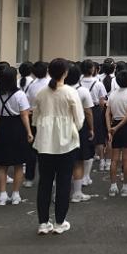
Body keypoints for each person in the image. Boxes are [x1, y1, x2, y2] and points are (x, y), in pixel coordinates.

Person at [32, 58, 85, 235]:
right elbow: (79, 120)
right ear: (66, 73)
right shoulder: (70, 92)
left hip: (44, 143)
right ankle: (60, 222)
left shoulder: (41, 93)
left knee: (45, 183)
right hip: (66, 143)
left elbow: (35, 119)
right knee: (63, 182)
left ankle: (43, 222)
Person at [0, 66, 33, 206]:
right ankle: (15, 194)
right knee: (18, 164)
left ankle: (2, 195)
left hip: (3, 127)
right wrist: (29, 132)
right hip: (17, 128)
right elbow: (24, 115)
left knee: (2, 165)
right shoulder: (20, 95)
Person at [106, 70, 127, 197]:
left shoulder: (112, 95)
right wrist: (117, 127)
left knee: (114, 159)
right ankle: (125, 186)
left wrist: (110, 128)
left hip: (114, 124)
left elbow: (107, 113)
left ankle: (113, 186)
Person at [67, 65, 95, 203]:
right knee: (78, 161)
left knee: (62, 161)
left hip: (62, 126)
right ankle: (77, 193)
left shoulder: (59, 90)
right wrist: (91, 128)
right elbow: (88, 112)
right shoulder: (83, 91)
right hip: (79, 126)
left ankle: (58, 192)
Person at [23, 61, 49, 188]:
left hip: (33, 117)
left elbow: (27, 103)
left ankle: (29, 178)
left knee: (31, 149)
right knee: (47, 149)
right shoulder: (51, 83)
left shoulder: (31, 85)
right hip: (48, 119)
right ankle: (47, 177)